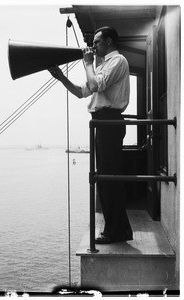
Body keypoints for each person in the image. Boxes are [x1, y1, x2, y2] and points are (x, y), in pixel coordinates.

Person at [49, 26, 133, 244]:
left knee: (109, 179)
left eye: (97, 42)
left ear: (109, 42)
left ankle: (115, 232)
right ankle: (121, 229)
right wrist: (60, 77)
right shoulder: (103, 65)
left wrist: (87, 64)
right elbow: (80, 91)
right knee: (106, 180)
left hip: (109, 121)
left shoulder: (118, 61)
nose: (93, 46)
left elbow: (94, 85)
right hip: (102, 122)